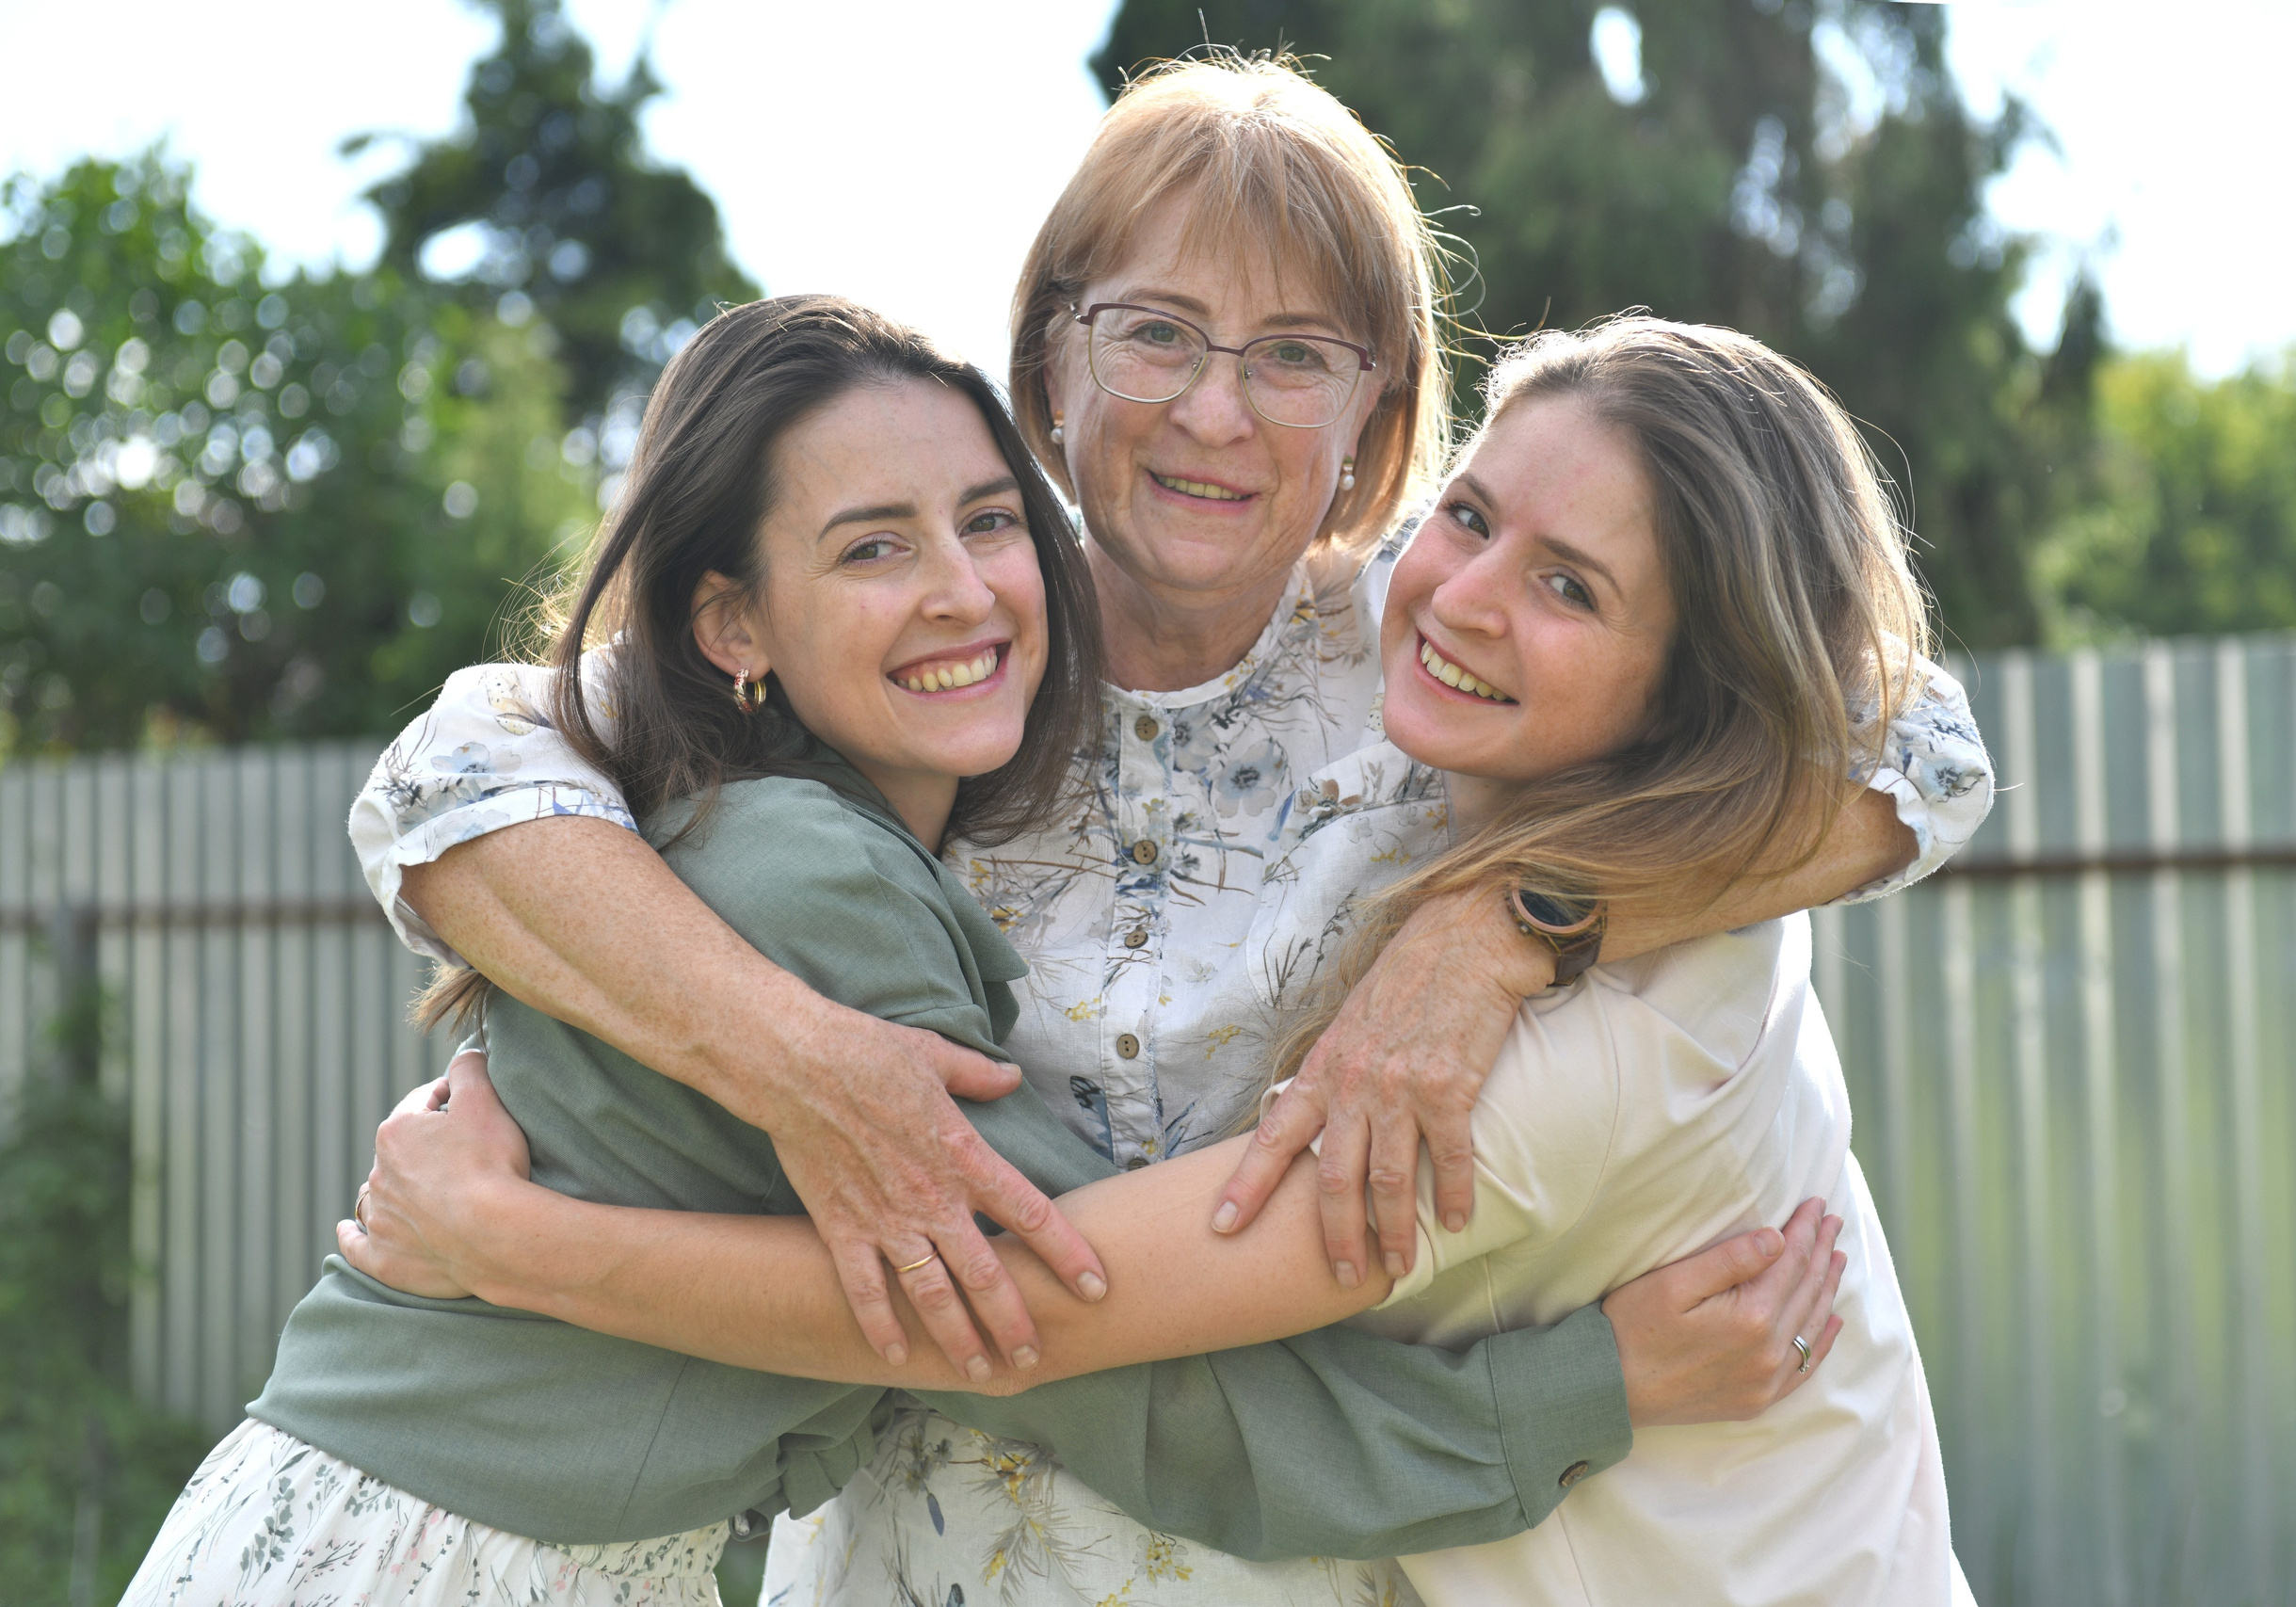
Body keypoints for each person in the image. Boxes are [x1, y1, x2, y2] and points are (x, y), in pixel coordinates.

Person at [130, 297, 1830, 1604]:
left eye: (987, 523)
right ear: (732, 624)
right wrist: (1581, 1391)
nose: (964, 589)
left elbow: (1904, 733)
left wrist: (1496, 919)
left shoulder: (758, 832)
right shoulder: (807, 885)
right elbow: (1054, 1340)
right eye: (873, 547)